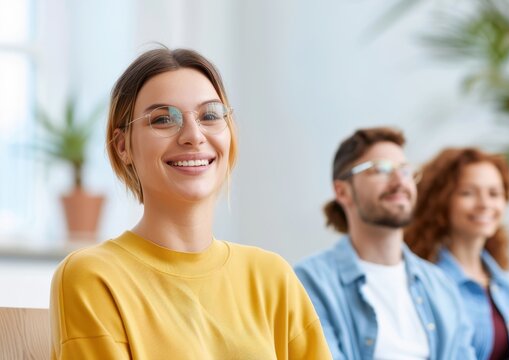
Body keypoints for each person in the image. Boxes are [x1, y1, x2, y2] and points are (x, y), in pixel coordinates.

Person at [49, 47, 332, 359]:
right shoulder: (93, 277)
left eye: (210, 115)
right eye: (162, 120)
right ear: (122, 147)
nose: (193, 135)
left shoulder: (272, 277)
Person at [295, 127, 475, 360]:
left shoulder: (441, 286)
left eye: (406, 170)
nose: (400, 181)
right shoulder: (309, 283)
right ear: (342, 191)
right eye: (380, 169)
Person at [405, 147, 509, 359]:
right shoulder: (424, 285)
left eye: (494, 193)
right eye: (468, 193)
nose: (485, 204)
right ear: (442, 200)